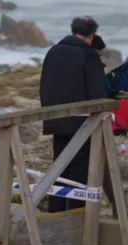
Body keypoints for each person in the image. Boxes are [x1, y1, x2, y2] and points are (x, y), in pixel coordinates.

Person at [40, 17, 108, 212]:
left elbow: (44, 84)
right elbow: (97, 93)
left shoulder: (53, 51)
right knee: (79, 169)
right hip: (81, 122)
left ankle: (55, 210)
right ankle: (76, 213)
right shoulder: (87, 54)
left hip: (55, 118)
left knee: (59, 166)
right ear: (91, 35)